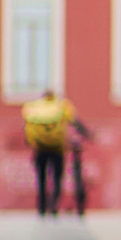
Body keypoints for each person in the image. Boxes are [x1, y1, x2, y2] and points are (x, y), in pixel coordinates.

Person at [22, 88, 78, 217]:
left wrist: (30, 141)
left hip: (40, 149)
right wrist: (88, 135)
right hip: (57, 149)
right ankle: (53, 206)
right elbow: (74, 121)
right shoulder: (62, 106)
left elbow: (26, 125)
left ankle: (41, 207)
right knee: (57, 178)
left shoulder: (35, 108)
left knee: (41, 178)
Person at [67, 120, 93, 217]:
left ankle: (79, 206)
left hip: (78, 164)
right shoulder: (80, 136)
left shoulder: (72, 134)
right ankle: (78, 206)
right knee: (77, 185)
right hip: (75, 164)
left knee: (79, 185)